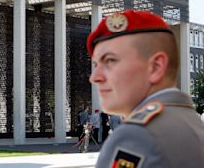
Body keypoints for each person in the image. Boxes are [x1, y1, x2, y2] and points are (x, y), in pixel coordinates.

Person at [87, 10, 204, 167]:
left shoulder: (136, 136)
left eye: (110, 60)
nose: (95, 77)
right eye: (95, 65)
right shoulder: (193, 124)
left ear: (156, 67)